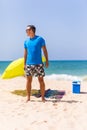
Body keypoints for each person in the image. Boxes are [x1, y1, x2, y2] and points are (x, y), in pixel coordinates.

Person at [24, 25, 49, 102]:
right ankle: (28, 97)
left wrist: (47, 60)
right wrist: (24, 64)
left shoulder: (40, 39)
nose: (26, 31)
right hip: (29, 64)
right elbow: (25, 53)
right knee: (28, 81)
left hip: (38, 64)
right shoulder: (26, 41)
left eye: (27, 30)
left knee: (41, 80)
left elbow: (45, 50)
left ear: (31, 30)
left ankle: (43, 98)